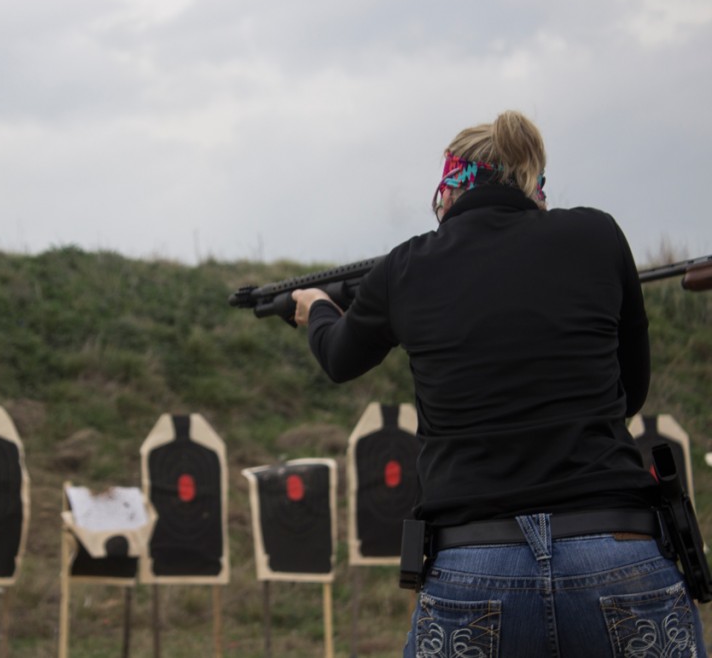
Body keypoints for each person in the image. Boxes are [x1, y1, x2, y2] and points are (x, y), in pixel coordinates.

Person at [291, 110, 706, 657]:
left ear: (447, 193)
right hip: (616, 550)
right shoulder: (597, 234)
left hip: (472, 564)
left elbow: (339, 357)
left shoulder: (405, 268)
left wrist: (317, 310)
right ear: (532, 183)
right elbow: (632, 390)